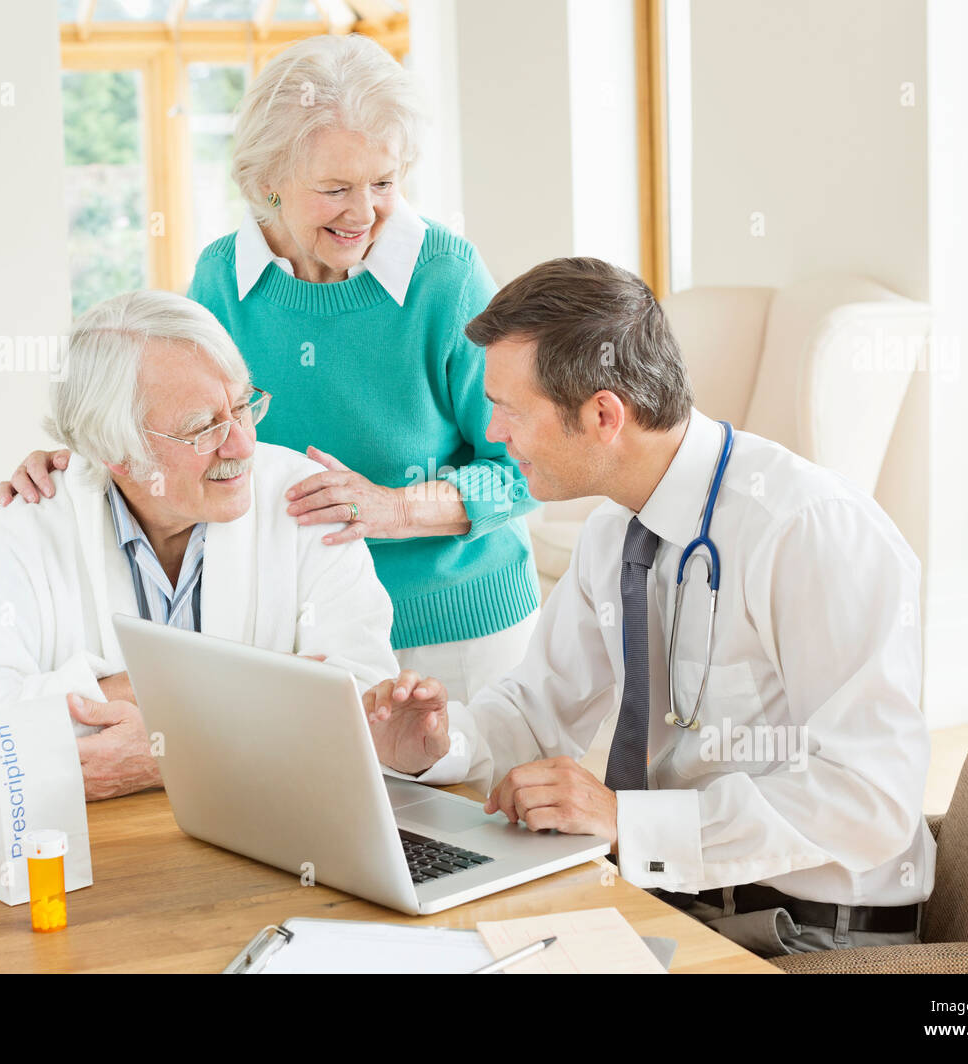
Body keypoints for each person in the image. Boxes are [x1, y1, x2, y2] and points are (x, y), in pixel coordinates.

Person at [361, 257, 937, 958]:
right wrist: (439, 745)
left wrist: (629, 824)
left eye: (510, 409)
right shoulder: (616, 530)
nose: (494, 432)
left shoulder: (807, 529)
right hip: (673, 890)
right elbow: (536, 713)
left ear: (604, 414)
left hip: (807, 926)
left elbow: (869, 798)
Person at [0, 33, 540, 703]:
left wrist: (396, 508)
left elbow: (526, 468)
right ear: (265, 184)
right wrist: (80, 458)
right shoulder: (221, 280)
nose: (364, 213)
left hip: (454, 635)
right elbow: (170, 425)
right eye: (335, 187)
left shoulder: (447, 281)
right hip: (289, 634)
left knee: (464, 805)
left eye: (384, 182)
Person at [0, 290, 400, 814]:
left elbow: (367, 710)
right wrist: (265, 690)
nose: (242, 445)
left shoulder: (307, 500)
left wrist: (167, 746)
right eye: (204, 428)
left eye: (242, 406)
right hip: (98, 866)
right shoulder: (17, 536)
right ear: (114, 451)